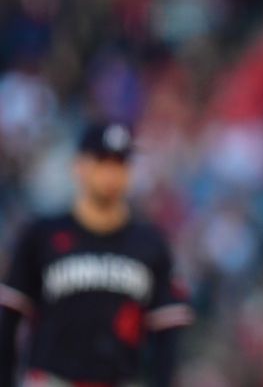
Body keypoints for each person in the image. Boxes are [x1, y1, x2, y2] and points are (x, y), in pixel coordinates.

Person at [0, 122, 193, 387]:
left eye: (121, 163)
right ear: (79, 166)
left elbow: (168, 331)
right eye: (102, 161)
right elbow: (9, 316)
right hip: (52, 378)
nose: (112, 173)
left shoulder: (151, 243)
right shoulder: (41, 235)